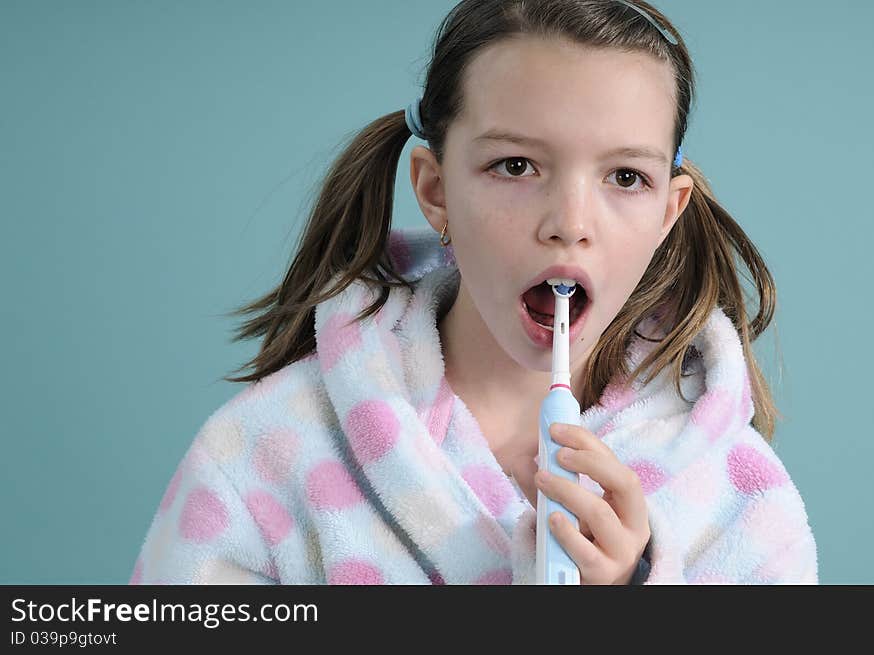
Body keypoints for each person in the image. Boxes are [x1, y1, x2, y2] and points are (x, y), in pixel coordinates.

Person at [129, 0, 818, 585]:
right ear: (435, 191)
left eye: (626, 178)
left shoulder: (740, 500)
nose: (570, 224)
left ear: (668, 214)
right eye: (515, 165)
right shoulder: (259, 464)